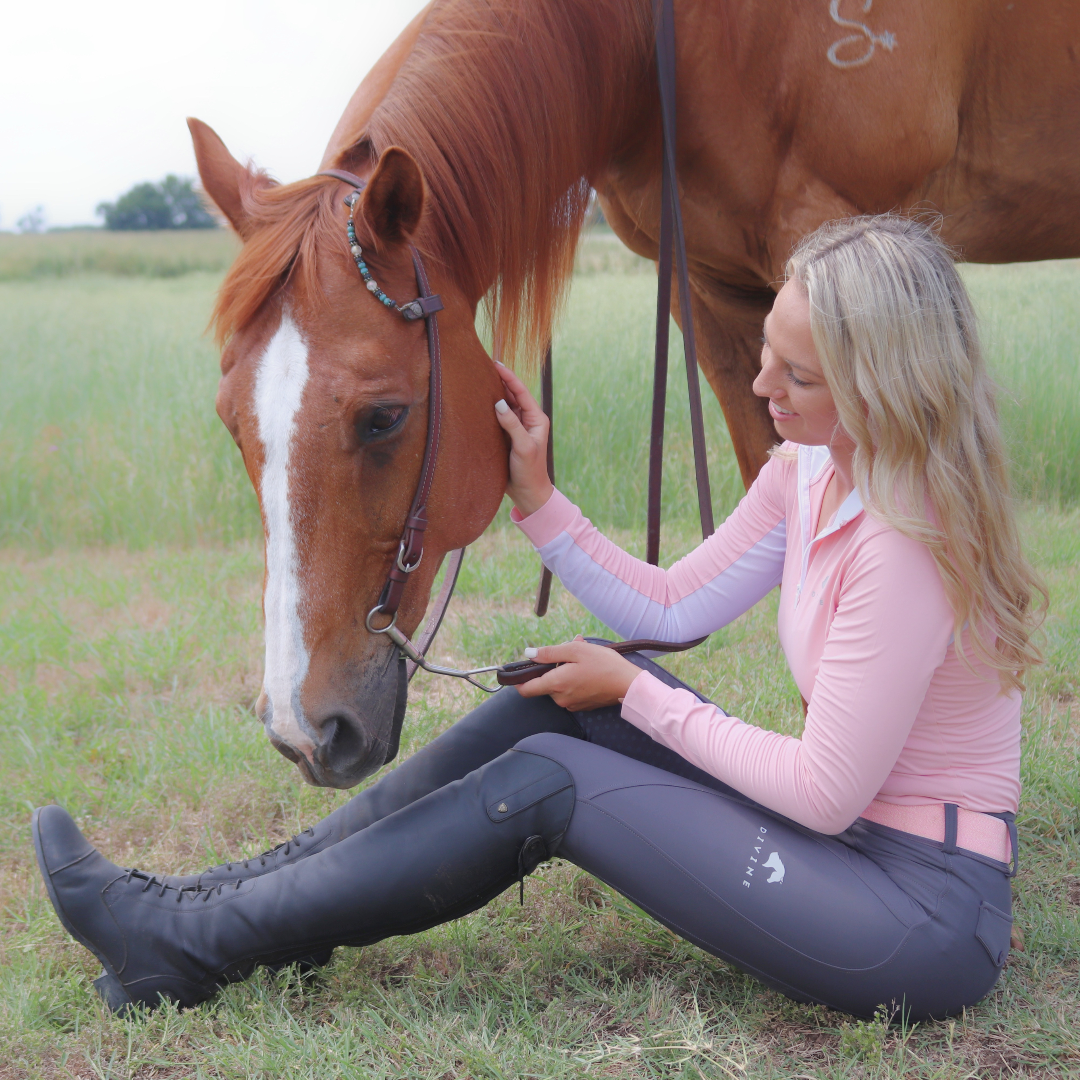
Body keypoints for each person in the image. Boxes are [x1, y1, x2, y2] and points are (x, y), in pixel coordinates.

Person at [33, 214, 1044, 1021]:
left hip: (914, 910)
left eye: (798, 375)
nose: (759, 383)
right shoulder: (813, 469)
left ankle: (192, 944)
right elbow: (675, 604)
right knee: (560, 705)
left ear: (880, 388)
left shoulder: (909, 546)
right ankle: (204, 908)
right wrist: (539, 500)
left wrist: (640, 693)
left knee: (559, 775)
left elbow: (824, 792)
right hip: (850, 846)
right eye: (768, 351)